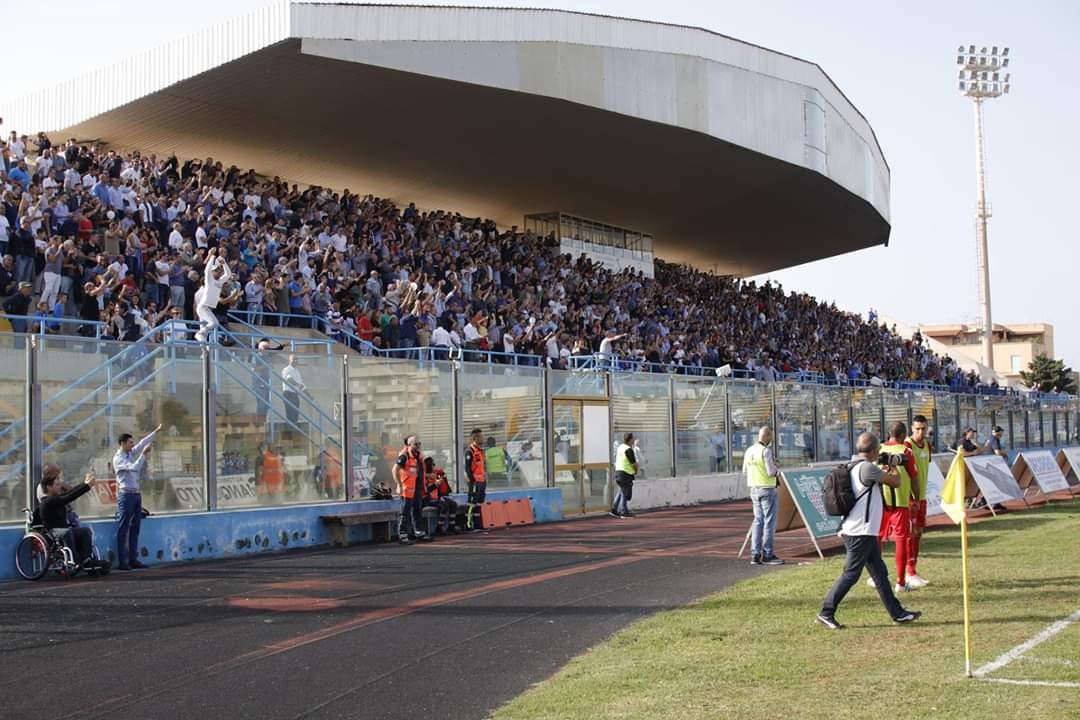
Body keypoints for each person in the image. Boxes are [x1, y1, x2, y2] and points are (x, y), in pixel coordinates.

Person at [816, 432, 922, 630]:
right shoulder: (866, 468)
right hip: (860, 532)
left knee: (880, 573)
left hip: (864, 531)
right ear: (874, 450)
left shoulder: (854, 465)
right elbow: (896, 482)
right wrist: (892, 465)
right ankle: (826, 612)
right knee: (851, 574)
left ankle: (898, 614)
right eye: (879, 451)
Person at [38, 465, 109, 573]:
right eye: (56, 485)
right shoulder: (47, 501)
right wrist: (86, 486)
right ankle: (75, 561)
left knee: (85, 531)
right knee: (67, 532)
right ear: (49, 487)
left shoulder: (56, 499)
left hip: (64, 529)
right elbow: (69, 497)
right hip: (53, 532)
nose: (59, 487)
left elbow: (69, 494)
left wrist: (85, 485)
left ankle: (86, 559)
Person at [875, 422, 918, 593]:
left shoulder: (878, 449)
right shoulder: (905, 452)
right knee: (901, 540)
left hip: (879, 501)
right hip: (900, 501)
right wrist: (915, 497)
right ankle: (900, 582)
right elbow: (914, 477)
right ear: (902, 436)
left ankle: (875, 576)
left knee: (877, 538)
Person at [112, 424, 161, 570]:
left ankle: (133, 559)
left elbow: (141, 443)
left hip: (135, 494)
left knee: (135, 528)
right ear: (123, 443)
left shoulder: (128, 453)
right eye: (130, 442)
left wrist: (155, 431)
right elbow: (134, 468)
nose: (133, 445)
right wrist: (143, 455)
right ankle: (122, 561)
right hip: (126, 495)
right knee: (124, 528)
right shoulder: (119, 459)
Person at [743, 426, 783, 565]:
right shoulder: (765, 451)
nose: (771, 439)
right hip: (767, 489)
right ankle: (768, 554)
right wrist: (777, 468)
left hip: (754, 488)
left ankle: (755, 554)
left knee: (758, 521)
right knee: (769, 522)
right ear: (766, 436)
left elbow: (745, 469)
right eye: (770, 436)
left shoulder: (749, 451)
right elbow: (771, 472)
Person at [903, 415, 932, 588]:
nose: (921, 432)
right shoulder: (907, 446)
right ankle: (909, 572)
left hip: (922, 497)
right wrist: (910, 497)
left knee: (918, 533)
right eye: (917, 429)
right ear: (912, 429)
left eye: (923, 428)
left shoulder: (928, 445)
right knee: (910, 534)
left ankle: (913, 570)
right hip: (910, 498)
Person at [393, 435, 427, 543]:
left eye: (419, 444)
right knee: (405, 512)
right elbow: (395, 470)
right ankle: (402, 535)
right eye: (416, 444)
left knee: (417, 510)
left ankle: (418, 532)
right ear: (409, 445)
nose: (418, 446)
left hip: (416, 488)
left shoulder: (418, 457)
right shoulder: (405, 456)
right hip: (407, 489)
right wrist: (399, 484)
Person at [193, 248, 231, 342]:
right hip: (203, 307)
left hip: (209, 308)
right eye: (216, 270)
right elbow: (207, 270)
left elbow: (228, 274)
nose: (218, 271)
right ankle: (200, 333)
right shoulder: (210, 280)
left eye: (219, 270)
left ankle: (204, 353)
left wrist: (224, 263)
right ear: (212, 272)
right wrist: (212, 256)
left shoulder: (220, 282)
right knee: (214, 323)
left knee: (204, 335)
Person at [423, 457, 459, 535]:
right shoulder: (423, 477)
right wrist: (435, 485)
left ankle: (451, 526)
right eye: (432, 464)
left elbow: (439, 489)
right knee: (444, 506)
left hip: (437, 497)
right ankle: (439, 527)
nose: (434, 466)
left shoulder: (434, 474)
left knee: (453, 504)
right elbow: (426, 490)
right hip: (428, 499)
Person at [611, 432, 639, 518]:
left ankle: (615, 508)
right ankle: (624, 511)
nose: (634, 439)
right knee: (624, 493)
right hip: (625, 473)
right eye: (633, 438)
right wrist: (636, 470)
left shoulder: (620, 447)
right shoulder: (628, 449)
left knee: (621, 491)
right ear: (630, 439)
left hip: (618, 472)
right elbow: (633, 463)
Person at [464, 428, 487, 530]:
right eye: (481, 436)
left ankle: (478, 525)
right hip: (474, 482)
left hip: (482, 481)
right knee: (471, 503)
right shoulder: (470, 451)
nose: (483, 438)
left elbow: (482, 466)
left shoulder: (481, 451)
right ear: (475, 438)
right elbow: (467, 468)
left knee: (479, 503)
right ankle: (468, 525)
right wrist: (472, 480)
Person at [281, 354, 306, 427]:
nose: (295, 361)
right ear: (289, 360)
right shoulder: (286, 370)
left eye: (296, 359)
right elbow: (289, 379)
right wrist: (297, 385)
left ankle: (293, 429)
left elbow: (302, 384)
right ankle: (290, 430)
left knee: (296, 413)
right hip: (288, 393)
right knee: (290, 414)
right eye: (293, 359)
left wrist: (309, 396)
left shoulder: (297, 371)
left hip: (295, 394)